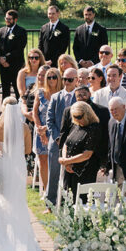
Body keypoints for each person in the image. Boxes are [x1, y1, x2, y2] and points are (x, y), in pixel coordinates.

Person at [0, 98, 59, 251]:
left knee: (2, 199)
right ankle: (21, 240)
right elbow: (28, 151)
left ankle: (0, 241)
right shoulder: (25, 128)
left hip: (3, 165)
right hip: (17, 166)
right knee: (18, 200)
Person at [44, 70, 77, 207]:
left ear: (76, 80)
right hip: (56, 143)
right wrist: (58, 138)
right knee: (54, 175)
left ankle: (70, 203)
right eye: (64, 79)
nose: (66, 82)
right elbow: (49, 120)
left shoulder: (80, 96)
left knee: (72, 174)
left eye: (70, 79)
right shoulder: (56, 97)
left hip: (75, 142)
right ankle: (50, 203)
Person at [58, 101, 103, 201]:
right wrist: (66, 161)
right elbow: (66, 143)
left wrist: (67, 162)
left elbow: (87, 154)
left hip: (85, 170)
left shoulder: (94, 128)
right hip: (69, 168)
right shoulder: (76, 125)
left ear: (87, 113)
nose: (77, 119)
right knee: (67, 198)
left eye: (79, 116)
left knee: (80, 200)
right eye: (75, 117)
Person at [33, 68, 61, 195]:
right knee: (42, 160)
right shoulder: (40, 93)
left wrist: (46, 129)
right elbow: (34, 112)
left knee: (55, 162)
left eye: (54, 77)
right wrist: (39, 128)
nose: (51, 80)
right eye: (48, 77)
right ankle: (46, 190)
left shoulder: (62, 94)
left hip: (55, 131)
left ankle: (55, 191)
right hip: (40, 130)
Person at [0, 9, 28, 101]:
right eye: (6, 18)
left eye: (9, 19)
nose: (7, 21)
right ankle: (4, 111)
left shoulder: (21, 31)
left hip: (15, 65)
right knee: (5, 90)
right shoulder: (1, 30)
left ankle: (19, 111)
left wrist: (6, 58)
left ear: (15, 20)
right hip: (3, 65)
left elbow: (19, 48)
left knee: (18, 89)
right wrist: (1, 58)